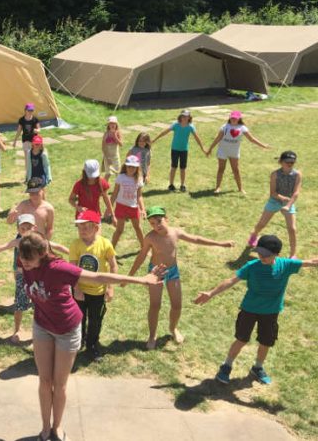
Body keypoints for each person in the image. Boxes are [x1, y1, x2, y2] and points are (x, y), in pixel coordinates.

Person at [16, 231, 166, 441]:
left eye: (28, 259)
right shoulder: (26, 261)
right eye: (22, 258)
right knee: (44, 380)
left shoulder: (58, 269)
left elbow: (98, 277)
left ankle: (56, 427)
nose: (24, 263)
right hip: (42, 326)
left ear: (42, 253)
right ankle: (44, 427)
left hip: (67, 330)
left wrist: (141, 280)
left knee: (59, 384)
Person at [194, 235, 318, 385]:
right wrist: (211, 293)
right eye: (259, 252)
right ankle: (226, 366)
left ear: (276, 254)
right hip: (249, 310)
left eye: (265, 255)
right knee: (241, 339)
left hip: (271, 313)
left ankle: (257, 368)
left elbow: (311, 262)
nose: (261, 257)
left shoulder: (286, 265)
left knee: (266, 342)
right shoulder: (252, 266)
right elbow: (231, 281)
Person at [126, 206, 234, 350]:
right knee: (155, 305)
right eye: (152, 223)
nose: (156, 225)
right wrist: (130, 276)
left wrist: (219, 243)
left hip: (173, 272)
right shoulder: (150, 238)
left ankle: (173, 328)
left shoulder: (175, 233)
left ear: (167, 219)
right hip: (156, 273)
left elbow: (196, 239)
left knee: (177, 305)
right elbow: (141, 256)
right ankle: (152, 335)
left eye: (159, 221)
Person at [0, 213, 69, 345]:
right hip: (22, 278)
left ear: (34, 227)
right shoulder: (18, 242)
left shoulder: (39, 241)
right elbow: (0, 248)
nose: (25, 231)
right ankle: (17, 330)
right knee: (19, 304)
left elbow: (57, 247)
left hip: (37, 277)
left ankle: (42, 331)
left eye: (28, 228)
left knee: (40, 304)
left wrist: (75, 253)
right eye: (22, 228)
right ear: (18, 229)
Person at [69, 210, 117, 361]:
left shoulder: (105, 244)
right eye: (79, 227)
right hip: (80, 290)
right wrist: (76, 289)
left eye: (86, 227)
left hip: (98, 291)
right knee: (78, 319)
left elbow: (113, 266)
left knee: (95, 320)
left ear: (96, 228)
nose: (81, 231)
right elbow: (72, 269)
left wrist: (110, 287)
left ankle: (92, 345)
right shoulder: (75, 244)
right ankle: (78, 342)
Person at [248, 151, 302, 258]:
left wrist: (288, 205)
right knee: (261, 224)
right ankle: (254, 235)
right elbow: (272, 193)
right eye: (287, 161)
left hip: (289, 203)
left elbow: (296, 193)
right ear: (280, 162)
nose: (290, 164)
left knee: (292, 229)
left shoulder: (297, 175)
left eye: (292, 162)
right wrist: (282, 198)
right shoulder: (275, 174)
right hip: (274, 201)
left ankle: (293, 254)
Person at [206, 110, 270, 194]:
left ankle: (240, 188)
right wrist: (210, 149)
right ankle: (218, 187)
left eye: (235, 118)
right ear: (230, 118)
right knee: (221, 169)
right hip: (223, 151)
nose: (233, 119)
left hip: (234, 152)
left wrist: (263, 145)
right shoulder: (225, 127)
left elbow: (251, 139)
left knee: (236, 170)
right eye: (232, 118)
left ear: (239, 119)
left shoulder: (242, 128)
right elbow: (218, 138)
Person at [151, 109, 205, 192]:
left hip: (184, 150)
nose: (184, 118)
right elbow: (165, 132)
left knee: (183, 168)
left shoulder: (191, 126)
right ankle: (171, 184)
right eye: (183, 116)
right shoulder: (176, 125)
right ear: (180, 117)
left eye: (186, 116)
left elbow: (197, 138)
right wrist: (154, 139)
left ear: (189, 117)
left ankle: (182, 185)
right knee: (174, 166)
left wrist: (203, 148)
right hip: (175, 149)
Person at [110, 155, 145, 249]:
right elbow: (114, 193)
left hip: (133, 207)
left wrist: (142, 209)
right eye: (129, 166)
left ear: (137, 167)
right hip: (121, 206)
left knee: (137, 227)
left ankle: (144, 247)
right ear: (125, 166)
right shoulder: (120, 177)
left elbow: (139, 196)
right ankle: (111, 250)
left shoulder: (139, 179)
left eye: (133, 167)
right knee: (119, 230)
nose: (131, 169)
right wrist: (109, 208)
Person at [68, 159, 116, 225]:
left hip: (95, 216)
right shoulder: (79, 184)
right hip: (82, 218)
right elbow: (71, 199)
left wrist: (113, 216)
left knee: (96, 235)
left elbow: (106, 199)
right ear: (84, 172)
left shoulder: (101, 183)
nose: (92, 178)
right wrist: (78, 207)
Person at [12, 102, 41, 177]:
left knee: (34, 158)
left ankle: (34, 174)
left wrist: (36, 131)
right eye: (29, 110)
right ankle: (28, 175)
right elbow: (19, 131)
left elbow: (39, 129)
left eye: (32, 110)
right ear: (25, 110)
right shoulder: (22, 120)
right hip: (26, 141)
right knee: (27, 159)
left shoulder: (35, 120)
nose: (30, 112)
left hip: (34, 142)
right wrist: (15, 140)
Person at [101, 115, 122, 181]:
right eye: (110, 123)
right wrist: (107, 157)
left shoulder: (118, 133)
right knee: (108, 173)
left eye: (114, 123)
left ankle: (119, 189)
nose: (112, 125)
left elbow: (121, 144)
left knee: (118, 173)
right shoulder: (106, 133)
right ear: (108, 125)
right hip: (107, 156)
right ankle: (103, 189)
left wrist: (115, 136)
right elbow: (103, 146)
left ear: (116, 124)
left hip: (115, 156)